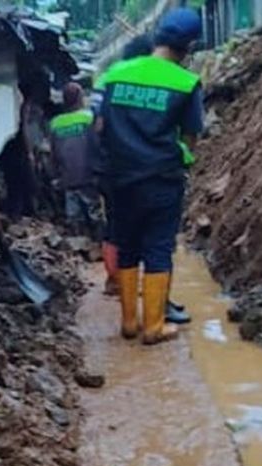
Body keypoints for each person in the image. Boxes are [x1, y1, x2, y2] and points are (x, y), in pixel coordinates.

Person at [97, 8, 204, 344]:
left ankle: (129, 323)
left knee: (127, 246)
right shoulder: (186, 83)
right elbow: (190, 135)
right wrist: (182, 159)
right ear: (189, 47)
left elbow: (99, 125)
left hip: (120, 178)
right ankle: (154, 326)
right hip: (161, 178)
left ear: (157, 35)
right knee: (157, 248)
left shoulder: (115, 74)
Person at [93, 34, 153, 296]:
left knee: (114, 224)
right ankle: (141, 285)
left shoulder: (107, 82)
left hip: (112, 166)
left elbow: (97, 126)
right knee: (147, 226)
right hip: (148, 167)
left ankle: (114, 280)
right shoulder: (154, 82)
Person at [49, 82, 96, 235]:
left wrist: (56, 176)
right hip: (90, 177)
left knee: (73, 219)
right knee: (94, 216)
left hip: (67, 178)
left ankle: (77, 250)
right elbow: (99, 146)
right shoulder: (89, 118)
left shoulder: (55, 123)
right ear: (80, 98)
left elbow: (53, 154)